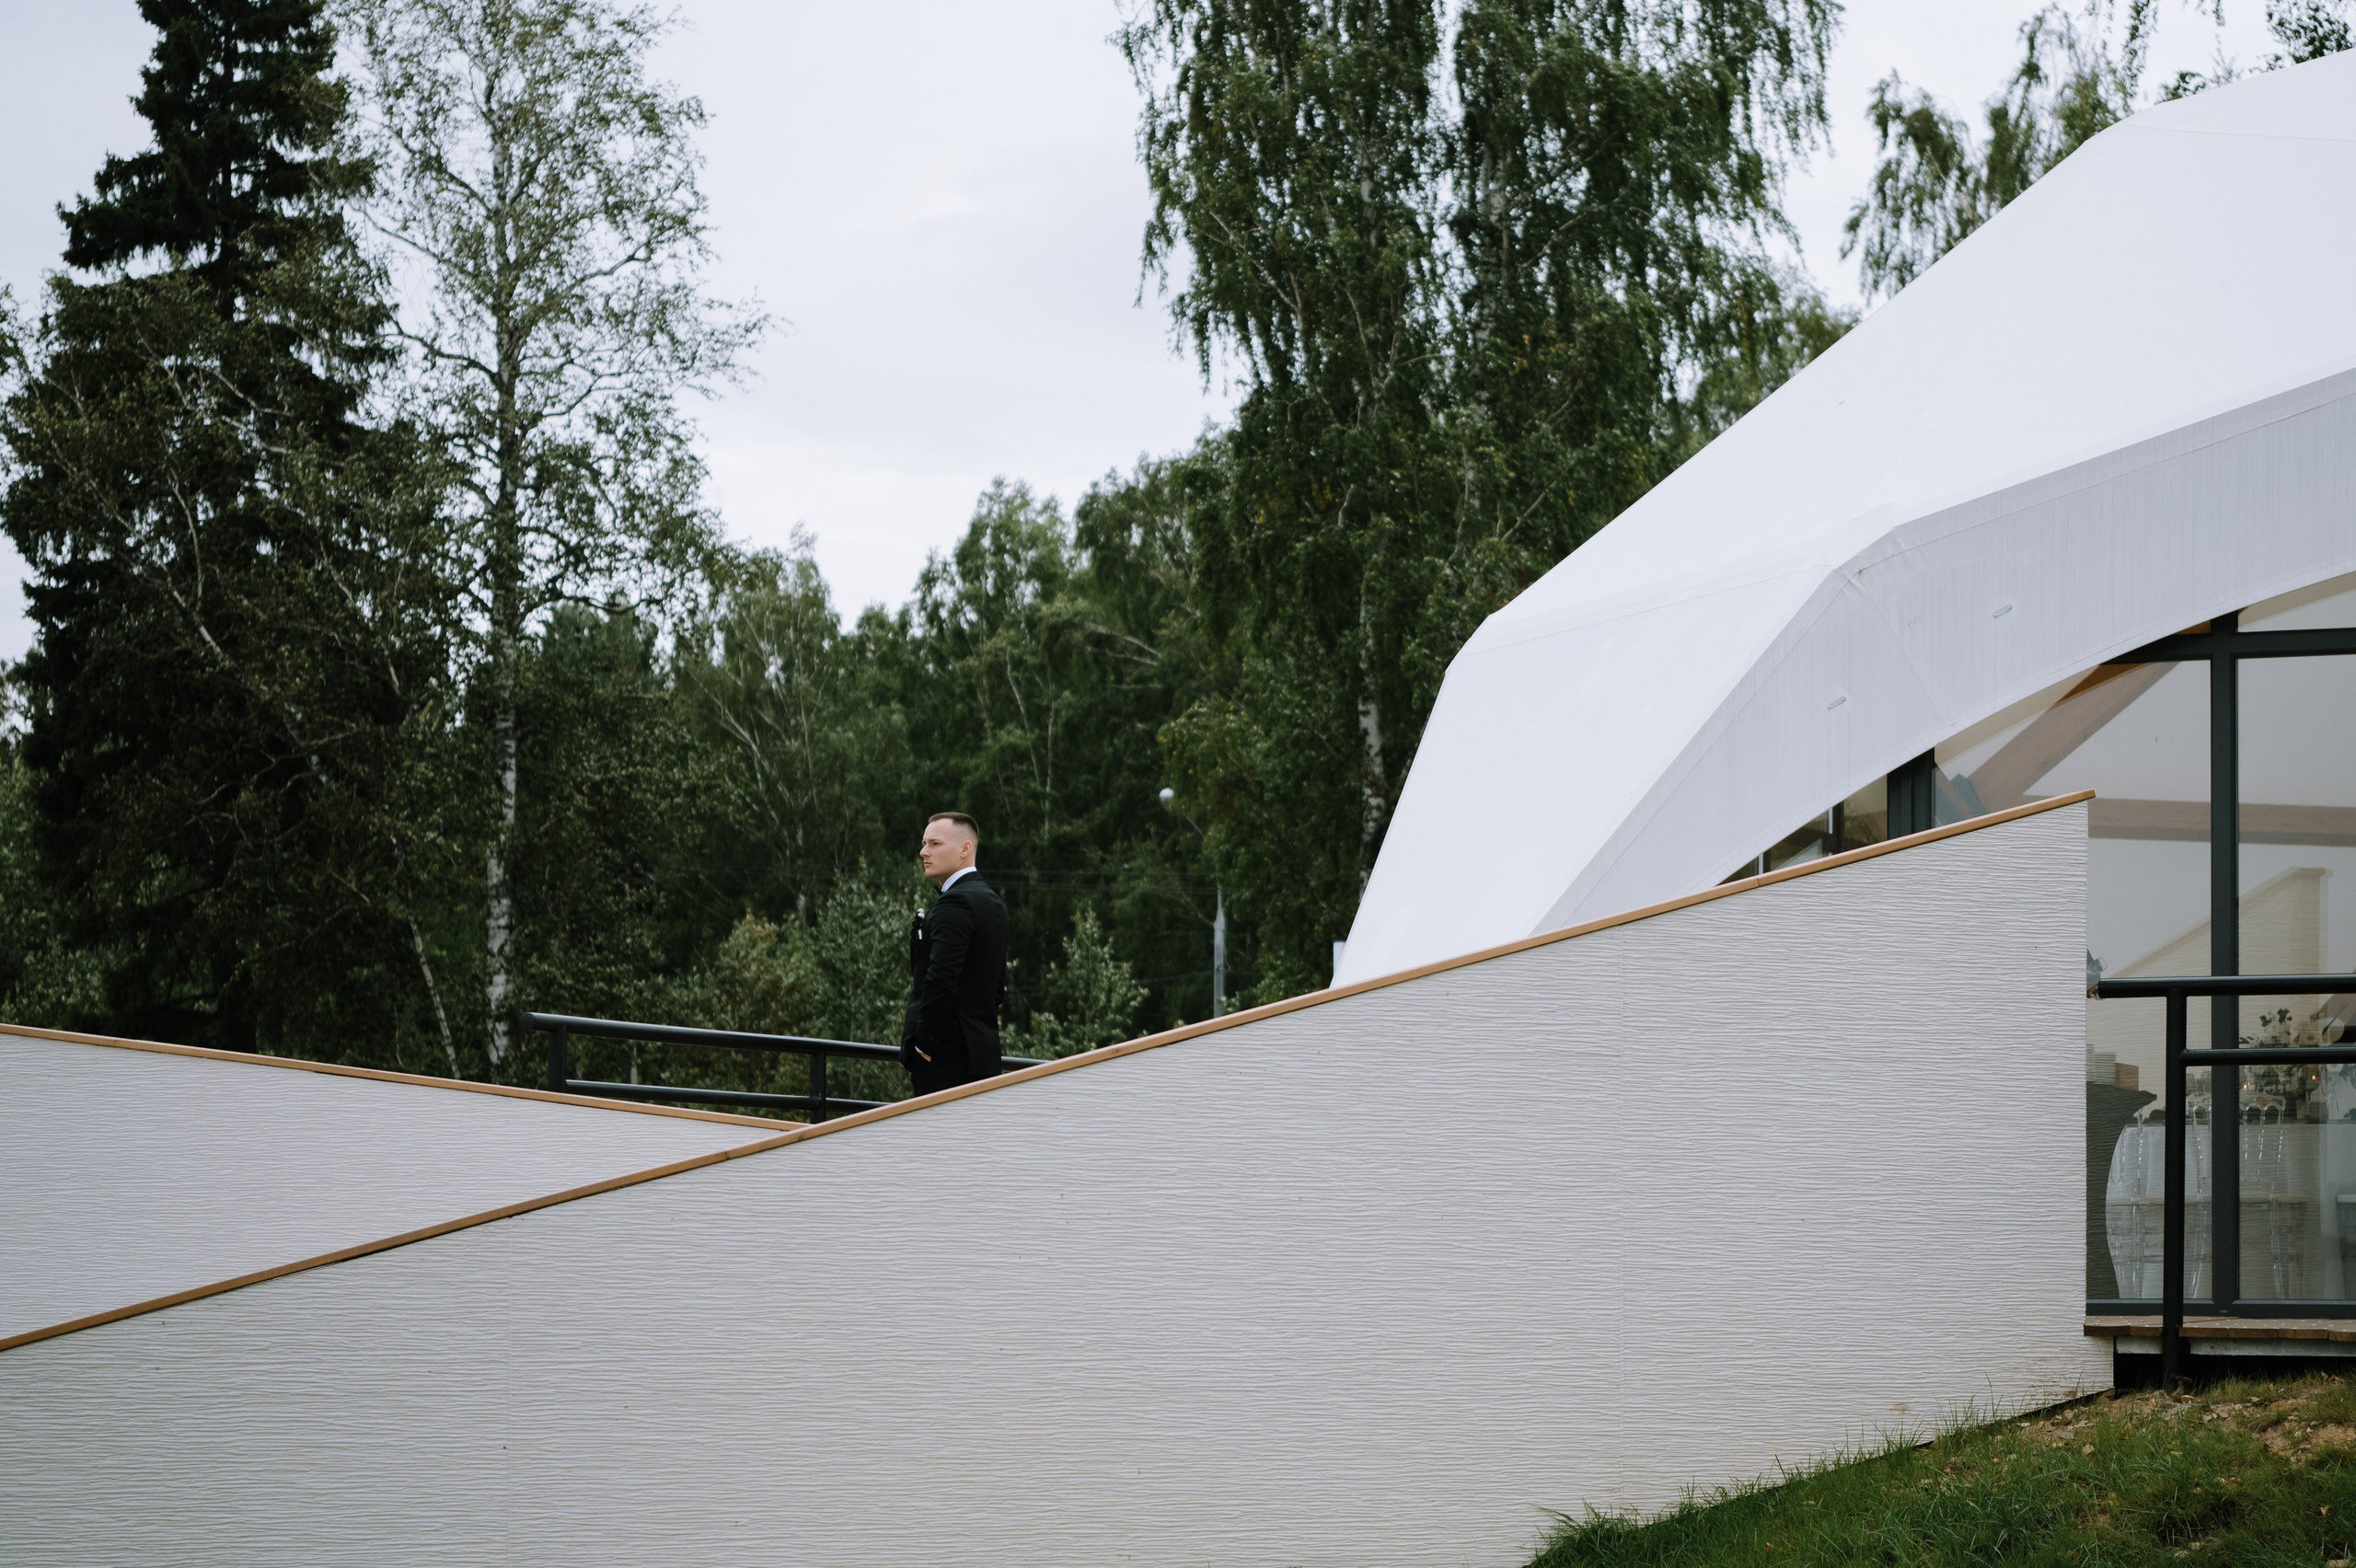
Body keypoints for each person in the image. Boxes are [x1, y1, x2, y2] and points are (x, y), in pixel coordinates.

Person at [901, 812, 1010, 1097]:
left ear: (965, 849)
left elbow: (940, 981)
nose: (924, 851)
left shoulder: (955, 902)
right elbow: (997, 988)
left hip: (944, 1062)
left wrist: (924, 1045)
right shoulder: (992, 901)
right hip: (983, 1058)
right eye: (924, 843)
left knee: (938, 1141)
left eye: (935, 844)